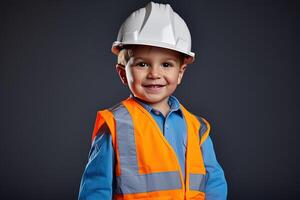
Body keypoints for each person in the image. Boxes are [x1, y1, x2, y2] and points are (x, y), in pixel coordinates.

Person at [78, 2, 227, 199]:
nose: (155, 74)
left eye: (166, 64)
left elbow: (214, 182)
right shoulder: (115, 125)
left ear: (180, 73)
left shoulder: (197, 128)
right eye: (142, 64)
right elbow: (96, 189)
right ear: (123, 73)